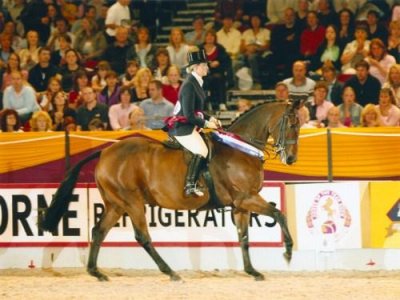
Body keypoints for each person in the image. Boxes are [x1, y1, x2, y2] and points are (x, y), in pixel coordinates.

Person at [167, 47, 221, 197]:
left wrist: (210, 118)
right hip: (182, 128)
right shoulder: (189, 85)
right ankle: (190, 184)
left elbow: (197, 110)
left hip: (189, 125)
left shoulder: (196, 82)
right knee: (202, 151)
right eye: (204, 65)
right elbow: (189, 115)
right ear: (196, 67)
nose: (207, 67)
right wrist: (206, 124)